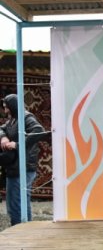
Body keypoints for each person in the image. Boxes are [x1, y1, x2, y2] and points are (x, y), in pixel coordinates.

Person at [0, 94, 45, 226]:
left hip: (24, 167)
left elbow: (39, 131)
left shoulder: (26, 117)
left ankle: (22, 232)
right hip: (15, 167)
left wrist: (18, 145)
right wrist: (3, 137)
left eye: (6, 107)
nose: (5, 111)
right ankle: (23, 229)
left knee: (18, 203)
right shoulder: (13, 120)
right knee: (15, 204)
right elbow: (2, 128)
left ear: (13, 106)